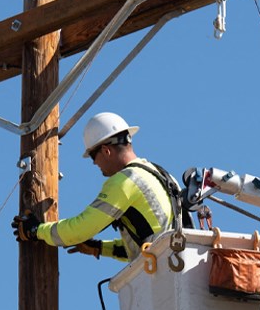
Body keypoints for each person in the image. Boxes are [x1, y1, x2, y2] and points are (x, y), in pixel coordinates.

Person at [12, 112, 185, 261]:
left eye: (93, 156)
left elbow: (81, 228)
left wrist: (36, 230)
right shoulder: (161, 175)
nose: (94, 164)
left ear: (106, 150)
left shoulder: (125, 181)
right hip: (177, 269)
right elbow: (150, 246)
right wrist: (99, 247)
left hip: (162, 276)